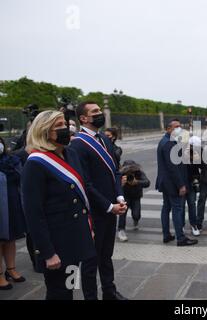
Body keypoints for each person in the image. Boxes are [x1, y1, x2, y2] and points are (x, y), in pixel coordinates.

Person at [20, 111, 96, 299]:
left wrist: (88, 227)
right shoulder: (36, 164)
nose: (66, 128)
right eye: (59, 125)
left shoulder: (70, 153)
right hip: (56, 243)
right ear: (45, 131)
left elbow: (80, 194)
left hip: (75, 239)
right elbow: (33, 213)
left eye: (65, 123)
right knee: (58, 292)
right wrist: (47, 252)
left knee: (70, 287)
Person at [71, 101, 128, 300]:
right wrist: (108, 205)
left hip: (112, 207)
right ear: (83, 118)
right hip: (94, 211)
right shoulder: (78, 144)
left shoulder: (104, 138)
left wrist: (119, 197)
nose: (99, 114)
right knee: (90, 260)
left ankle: (109, 292)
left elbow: (115, 171)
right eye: (94, 112)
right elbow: (85, 183)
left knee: (106, 256)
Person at [156, 119, 198, 246]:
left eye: (180, 126)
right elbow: (173, 167)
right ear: (169, 129)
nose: (179, 129)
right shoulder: (169, 143)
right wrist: (181, 185)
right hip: (172, 183)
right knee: (177, 209)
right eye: (176, 127)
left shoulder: (165, 141)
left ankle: (166, 235)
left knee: (166, 207)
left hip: (165, 182)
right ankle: (180, 238)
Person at [0, 137, 27, 290]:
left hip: (11, 202)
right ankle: (0, 274)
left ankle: (11, 269)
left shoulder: (11, 161)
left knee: (11, 239)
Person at [117, 160, 150, 241]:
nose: (130, 173)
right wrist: (121, 183)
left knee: (136, 214)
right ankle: (121, 230)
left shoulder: (139, 173)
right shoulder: (121, 174)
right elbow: (114, 184)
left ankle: (136, 220)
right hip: (125, 196)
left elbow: (147, 182)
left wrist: (137, 182)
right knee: (122, 213)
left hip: (136, 196)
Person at [184, 136, 202, 236]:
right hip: (182, 183)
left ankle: (193, 224)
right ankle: (181, 225)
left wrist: (198, 160)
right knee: (181, 205)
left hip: (192, 183)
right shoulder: (181, 153)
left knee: (192, 204)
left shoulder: (197, 154)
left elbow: (201, 167)